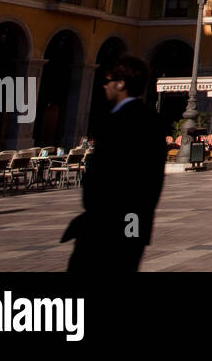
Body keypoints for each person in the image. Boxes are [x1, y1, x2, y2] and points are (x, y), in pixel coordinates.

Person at [63, 56, 167, 272]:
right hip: (133, 223)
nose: (104, 84)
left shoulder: (118, 120)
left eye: (108, 79)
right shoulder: (151, 119)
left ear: (121, 84)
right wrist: (134, 229)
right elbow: (151, 184)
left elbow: (108, 177)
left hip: (106, 225)